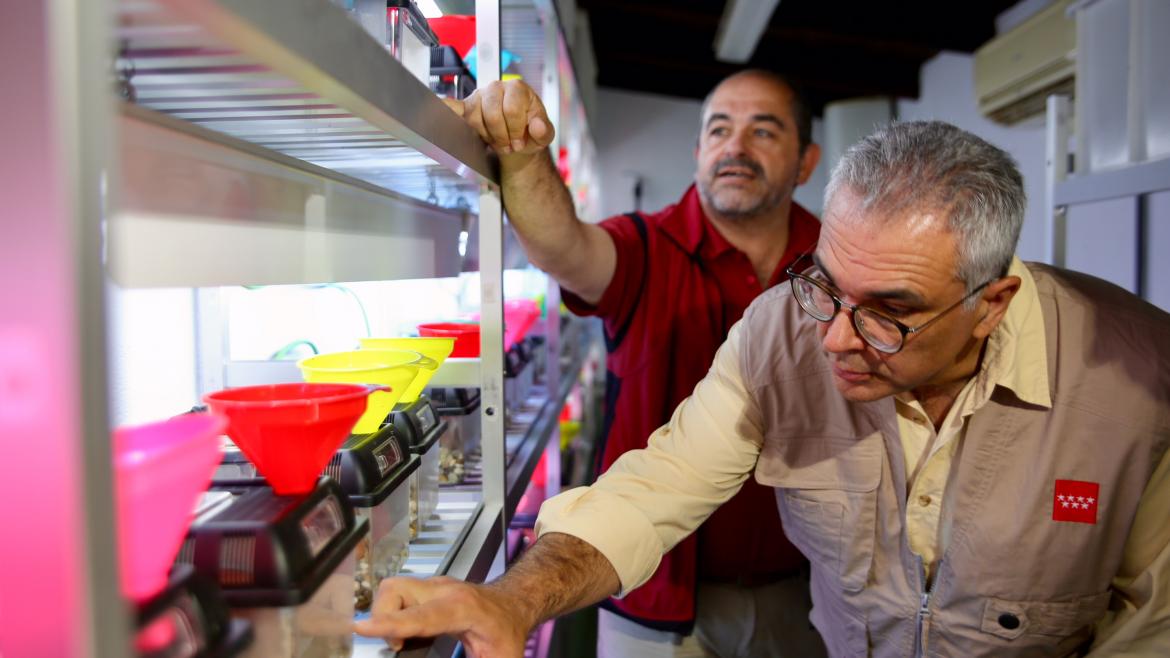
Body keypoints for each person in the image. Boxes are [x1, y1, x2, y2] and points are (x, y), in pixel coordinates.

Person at [357, 120, 1170, 657]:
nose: (836, 338)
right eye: (828, 285)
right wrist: (516, 598)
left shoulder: (1135, 378)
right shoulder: (782, 328)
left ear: (992, 303)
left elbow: (1152, 618)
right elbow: (658, 485)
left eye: (892, 314)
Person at [418, 69, 825, 657]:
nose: (735, 147)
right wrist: (525, 155)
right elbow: (565, 247)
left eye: (763, 131)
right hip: (649, 592)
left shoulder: (837, 267)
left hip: (807, 593)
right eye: (719, 130)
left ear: (805, 161)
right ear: (698, 152)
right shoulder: (648, 246)